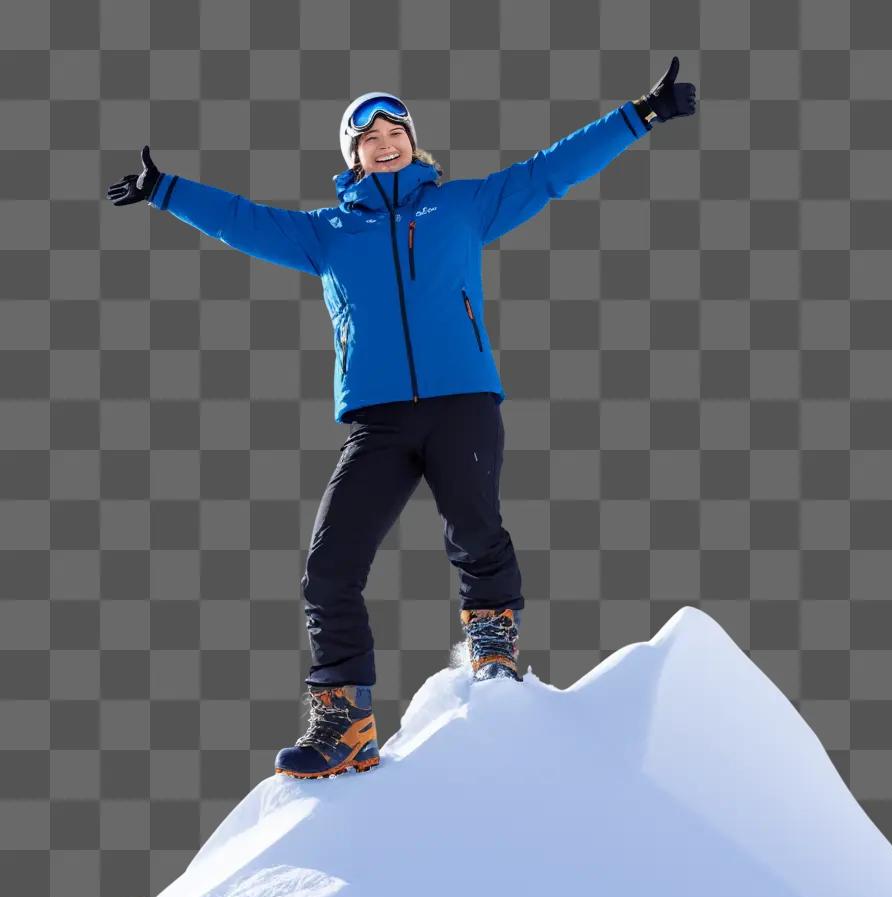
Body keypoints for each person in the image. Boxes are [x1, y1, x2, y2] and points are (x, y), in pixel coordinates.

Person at [106, 58, 697, 781]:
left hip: (462, 405)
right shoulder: (326, 234)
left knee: (475, 527)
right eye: (368, 134)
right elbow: (243, 222)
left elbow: (551, 171)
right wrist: (167, 190)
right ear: (350, 154)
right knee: (329, 565)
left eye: (396, 130)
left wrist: (639, 114)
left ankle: (493, 645)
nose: (385, 142)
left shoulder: (462, 206)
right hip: (378, 423)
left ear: (415, 144)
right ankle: (344, 721)